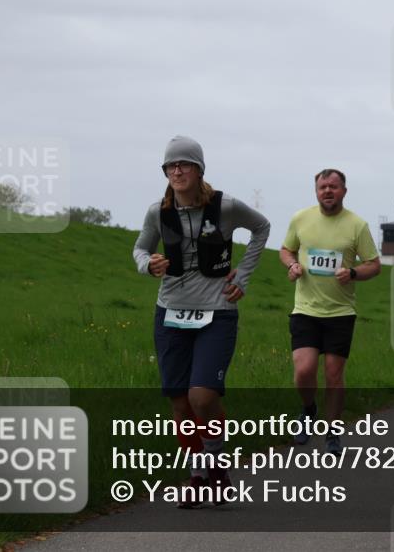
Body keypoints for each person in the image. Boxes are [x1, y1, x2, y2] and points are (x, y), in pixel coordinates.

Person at [133, 136, 270, 508]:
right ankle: (198, 476)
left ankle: (216, 464)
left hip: (217, 312)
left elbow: (261, 227)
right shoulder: (158, 212)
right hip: (170, 312)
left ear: (199, 169)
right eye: (170, 165)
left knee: (202, 397)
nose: (177, 171)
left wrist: (243, 275)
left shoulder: (225, 206)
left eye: (184, 164)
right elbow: (141, 248)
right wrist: (148, 264)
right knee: (180, 403)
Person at [280, 169, 381, 456]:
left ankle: (333, 431)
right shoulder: (301, 219)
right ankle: (309, 409)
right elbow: (286, 250)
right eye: (322, 186)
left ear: (343, 191)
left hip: (340, 312)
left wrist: (353, 273)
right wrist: (292, 265)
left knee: (334, 375)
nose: (327, 191)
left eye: (333, 187)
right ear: (316, 191)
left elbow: (374, 265)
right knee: (304, 371)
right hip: (305, 309)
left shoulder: (357, 225)